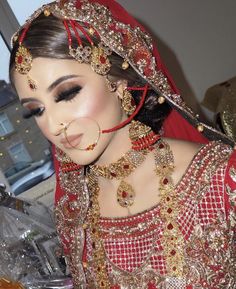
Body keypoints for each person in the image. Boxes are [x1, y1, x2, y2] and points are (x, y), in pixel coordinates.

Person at [9, 0, 236, 288]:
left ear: (117, 81)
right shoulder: (74, 210)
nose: (53, 126)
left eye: (67, 94)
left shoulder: (221, 180)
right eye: (36, 110)